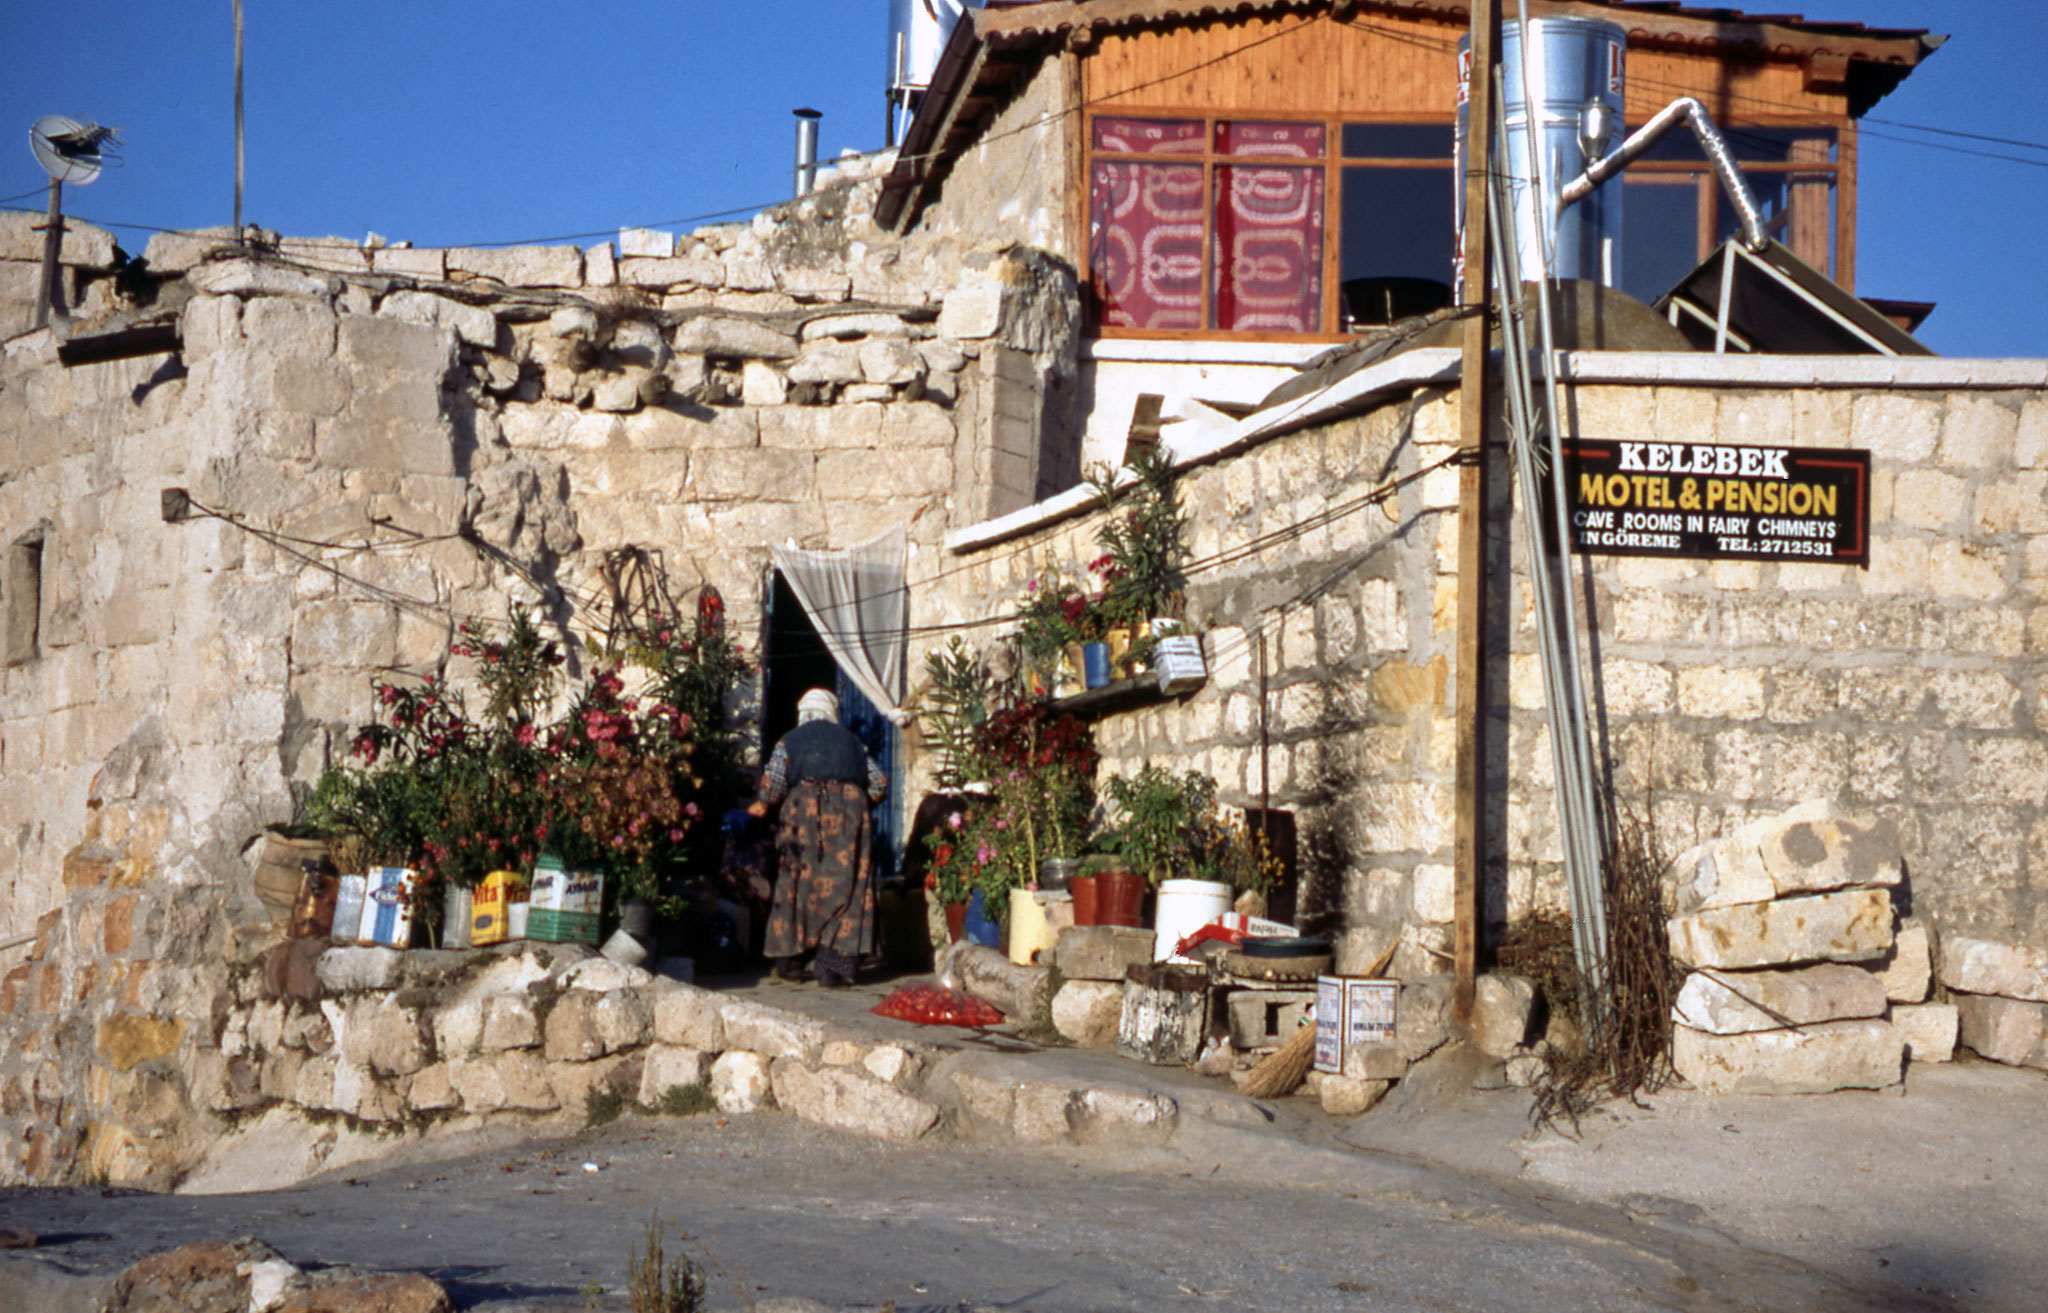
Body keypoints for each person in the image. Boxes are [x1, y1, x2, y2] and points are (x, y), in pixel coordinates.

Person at [753, 687, 888, 986]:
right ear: (832, 712)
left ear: (804, 712)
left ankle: (789, 962)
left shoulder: (790, 740)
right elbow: (879, 783)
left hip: (804, 813)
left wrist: (766, 801)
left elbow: (772, 786)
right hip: (850, 814)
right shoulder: (853, 742)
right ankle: (833, 965)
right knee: (850, 884)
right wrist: (856, 801)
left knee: (795, 881)